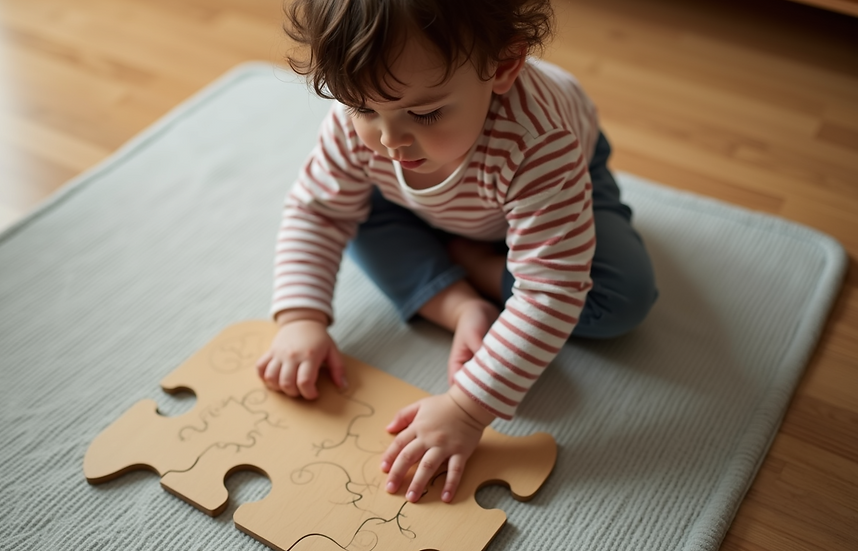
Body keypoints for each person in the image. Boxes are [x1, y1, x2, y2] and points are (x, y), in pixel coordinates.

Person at [256, 0, 657, 505]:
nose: (390, 138)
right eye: (362, 107)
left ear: (504, 66)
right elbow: (319, 211)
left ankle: (478, 263)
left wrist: (468, 408)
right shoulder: (363, 125)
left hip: (549, 187)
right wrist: (299, 318)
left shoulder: (540, 141)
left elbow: (552, 291)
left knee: (623, 298)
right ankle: (460, 300)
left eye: (425, 112)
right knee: (351, 215)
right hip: (416, 203)